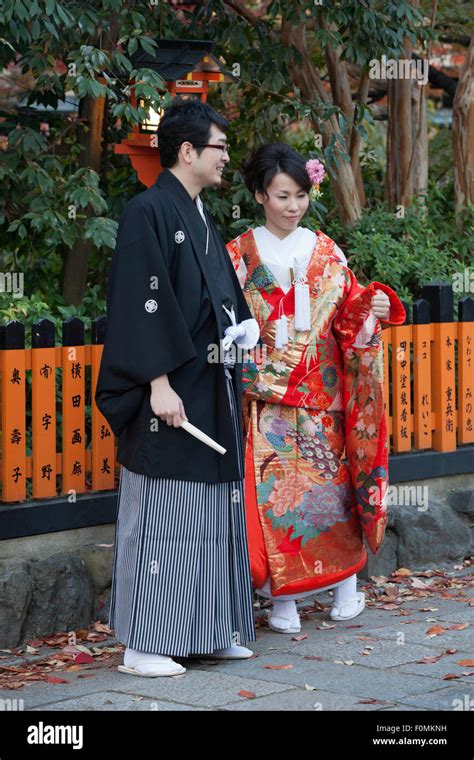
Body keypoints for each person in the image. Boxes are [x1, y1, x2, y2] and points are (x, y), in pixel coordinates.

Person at [95, 100, 260, 675]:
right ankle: (144, 644)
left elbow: (215, 293)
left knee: (211, 513)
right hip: (170, 393)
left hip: (209, 387)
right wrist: (157, 382)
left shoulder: (197, 213)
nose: (225, 157)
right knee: (168, 514)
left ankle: (208, 629)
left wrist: (240, 325)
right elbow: (141, 303)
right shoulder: (148, 210)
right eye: (219, 147)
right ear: (187, 151)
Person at [226, 143, 406, 634]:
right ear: (261, 194)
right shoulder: (237, 255)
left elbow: (350, 318)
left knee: (333, 496)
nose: (293, 206)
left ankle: (347, 589)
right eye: (282, 196)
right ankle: (283, 601)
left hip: (323, 397)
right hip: (266, 400)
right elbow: (222, 320)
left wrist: (373, 315)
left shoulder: (327, 251)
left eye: (301, 196)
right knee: (275, 501)